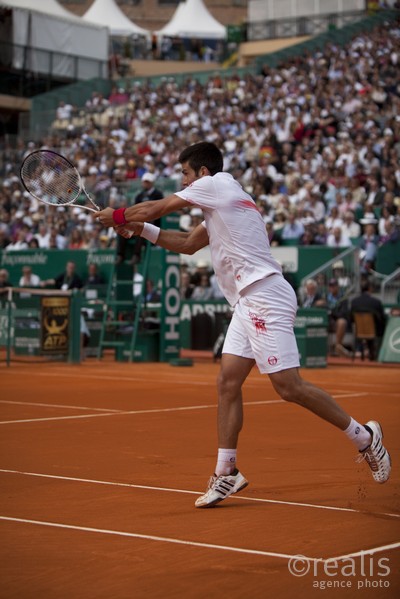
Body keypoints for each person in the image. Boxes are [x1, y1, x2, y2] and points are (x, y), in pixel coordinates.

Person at [96, 141, 391, 507]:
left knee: (288, 386)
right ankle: (227, 473)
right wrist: (140, 231)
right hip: (247, 301)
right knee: (228, 382)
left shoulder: (216, 183)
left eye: (185, 174)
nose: (183, 181)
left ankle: (364, 437)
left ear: (202, 173)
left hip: (264, 295)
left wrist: (120, 216)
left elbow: (158, 206)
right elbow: (187, 243)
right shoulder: (224, 201)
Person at [350, 279, 387, 361]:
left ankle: (367, 351)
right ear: (370, 288)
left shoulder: (354, 302)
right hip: (375, 332)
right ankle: (378, 353)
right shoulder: (376, 302)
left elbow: (351, 319)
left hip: (359, 331)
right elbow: (383, 318)